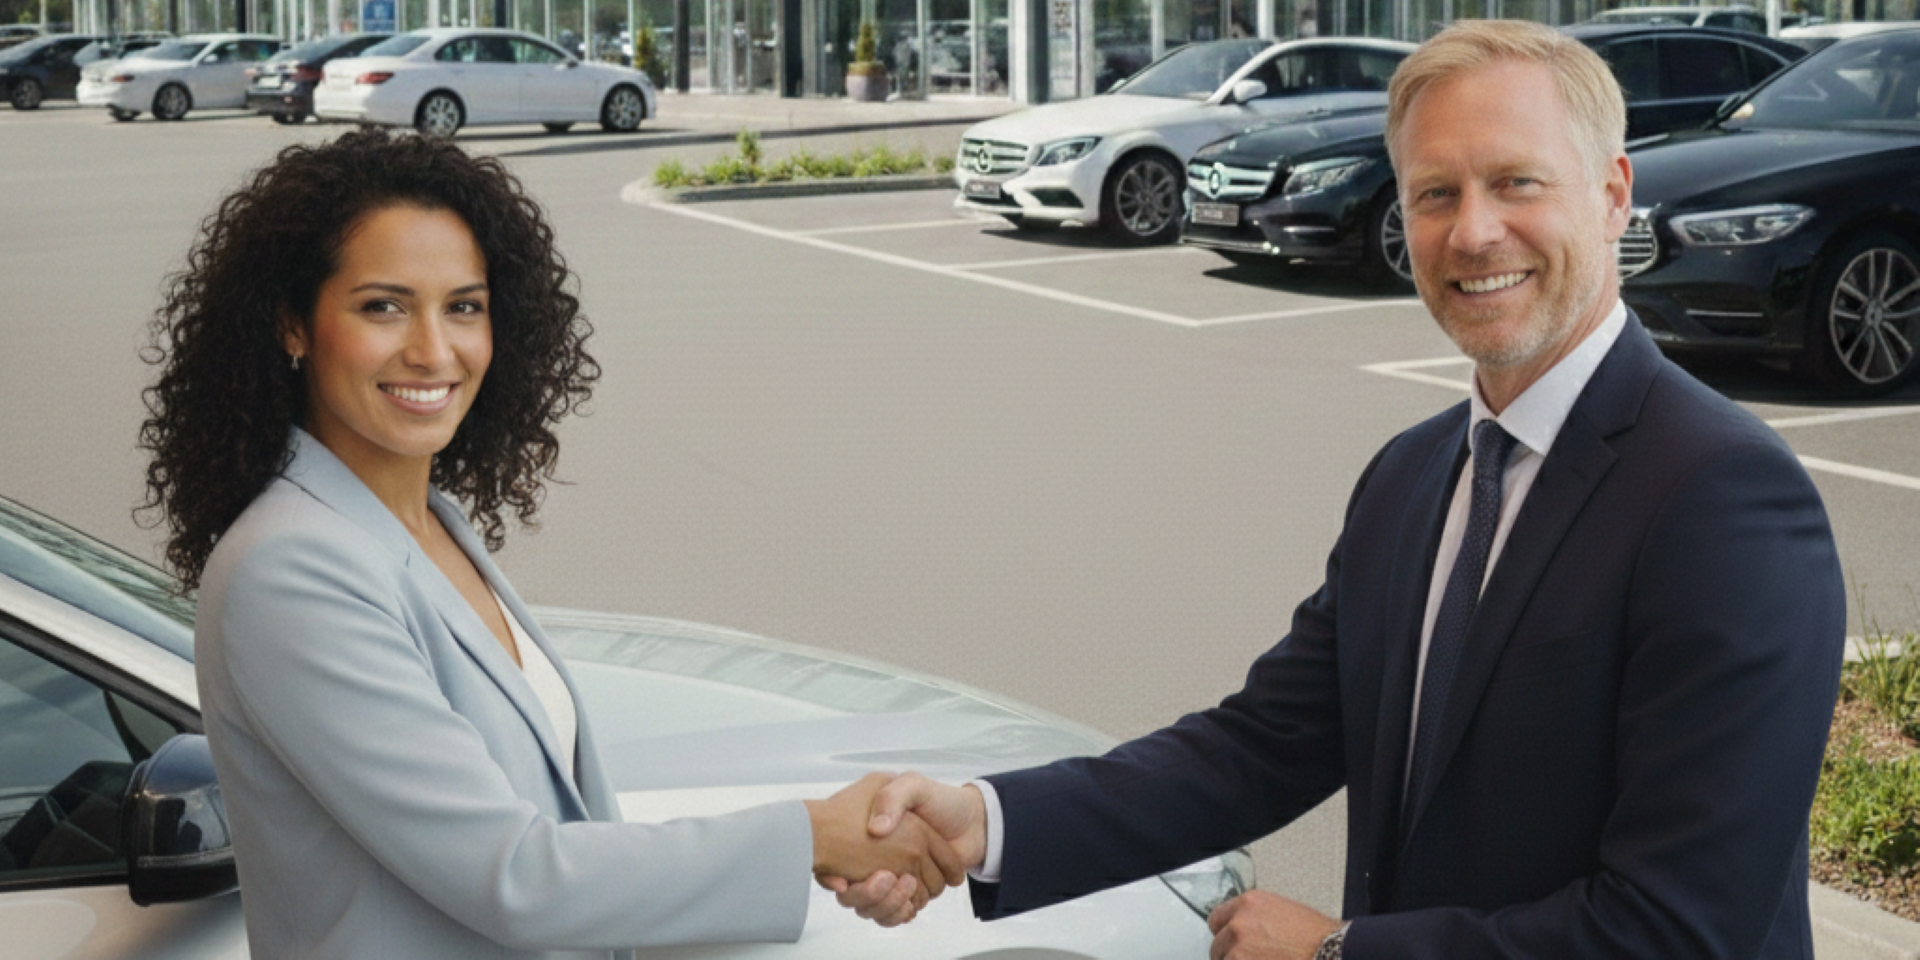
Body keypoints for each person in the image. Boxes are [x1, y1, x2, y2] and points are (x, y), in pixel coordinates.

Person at [832, 19, 1846, 958]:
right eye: (1435, 193)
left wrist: (1337, 953)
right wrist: (984, 823)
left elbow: (1680, 928)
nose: (1475, 232)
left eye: (1517, 183)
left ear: (1615, 192)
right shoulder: (1413, 473)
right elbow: (1260, 746)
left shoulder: (1724, 501)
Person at [138, 128, 962, 959]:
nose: (434, 349)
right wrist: (814, 837)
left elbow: (556, 826)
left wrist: (835, 857)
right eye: (382, 306)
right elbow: (517, 875)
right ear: (292, 325)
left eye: (464, 306)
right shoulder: (290, 570)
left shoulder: (429, 526)